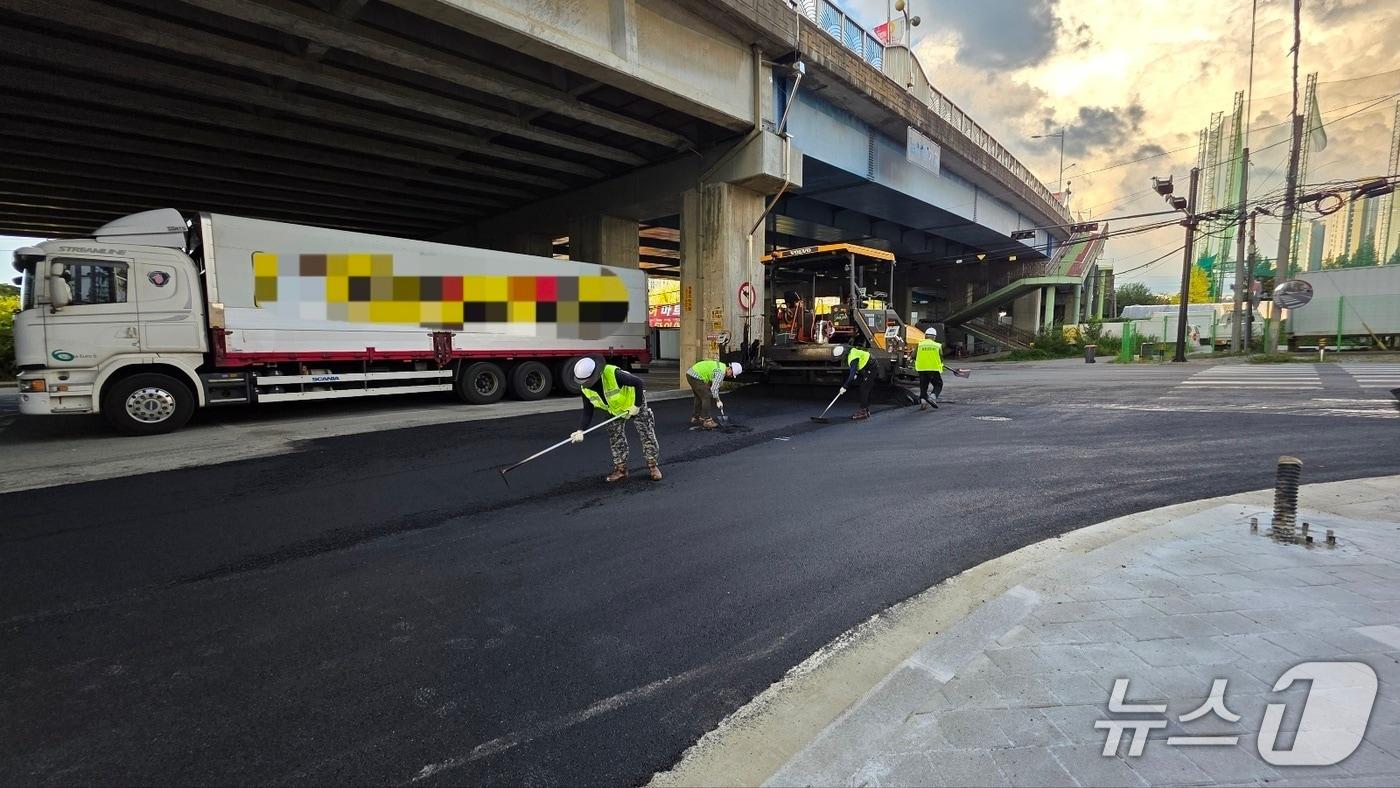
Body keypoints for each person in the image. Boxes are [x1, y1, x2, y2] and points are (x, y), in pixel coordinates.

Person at [569, 356, 662, 482]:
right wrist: (581, 430)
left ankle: (653, 466)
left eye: (587, 382)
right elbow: (587, 411)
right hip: (614, 410)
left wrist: (636, 406)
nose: (585, 385)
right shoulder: (585, 389)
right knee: (615, 437)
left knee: (646, 433)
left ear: (595, 375)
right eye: (582, 382)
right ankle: (621, 470)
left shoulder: (614, 374)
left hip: (633, 401)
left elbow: (638, 383)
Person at [686, 359, 742, 429]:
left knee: (699, 396)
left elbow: (711, 378)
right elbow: (714, 389)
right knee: (706, 396)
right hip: (695, 376)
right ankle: (707, 421)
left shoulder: (722, 366)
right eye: (732, 374)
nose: (731, 376)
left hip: (691, 373)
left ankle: (696, 418)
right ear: (729, 369)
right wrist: (718, 400)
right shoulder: (720, 373)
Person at [840, 342, 874, 421]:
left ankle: (863, 412)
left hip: (871, 367)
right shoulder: (852, 351)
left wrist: (844, 387)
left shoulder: (852, 358)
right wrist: (856, 372)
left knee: (864, 388)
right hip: (867, 366)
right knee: (864, 387)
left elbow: (851, 375)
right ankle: (866, 409)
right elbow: (858, 365)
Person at [914, 328, 944, 410]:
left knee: (923, 386)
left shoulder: (919, 344)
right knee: (938, 384)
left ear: (925, 336)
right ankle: (932, 397)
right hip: (933, 369)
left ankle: (923, 402)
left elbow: (914, 356)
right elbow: (941, 358)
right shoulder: (937, 345)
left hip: (921, 368)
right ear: (934, 337)